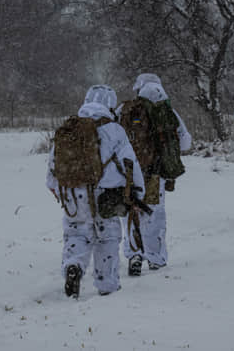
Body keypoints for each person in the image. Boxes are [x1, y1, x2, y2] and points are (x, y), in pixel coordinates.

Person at [46, 85, 145, 298]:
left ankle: (74, 264)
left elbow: (53, 164)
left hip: (74, 194)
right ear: (110, 104)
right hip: (107, 196)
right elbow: (131, 163)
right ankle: (107, 285)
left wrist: (55, 187)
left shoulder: (69, 127)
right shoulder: (115, 130)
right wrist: (138, 193)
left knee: (76, 232)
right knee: (107, 238)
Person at [118, 73, 192, 276]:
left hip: (129, 173)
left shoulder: (125, 110)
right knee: (154, 214)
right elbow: (186, 143)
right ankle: (155, 258)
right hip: (155, 173)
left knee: (131, 212)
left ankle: (134, 254)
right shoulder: (169, 112)